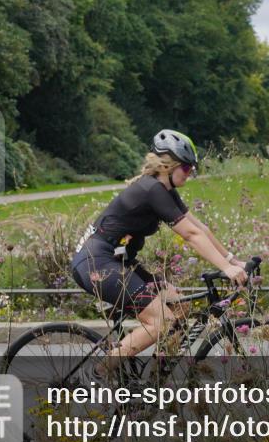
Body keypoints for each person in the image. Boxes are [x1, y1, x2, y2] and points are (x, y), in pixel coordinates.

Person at [70, 129, 248, 382]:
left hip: (117, 263)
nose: (190, 173)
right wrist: (227, 270)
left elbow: (200, 228)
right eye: (186, 168)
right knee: (161, 321)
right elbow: (190, 235)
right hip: (96, 264)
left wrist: (232, 260)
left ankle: (154, 382)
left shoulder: (164, 190)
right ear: (168, 166)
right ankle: (95, 374)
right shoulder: (151, 189)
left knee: (179, 305)